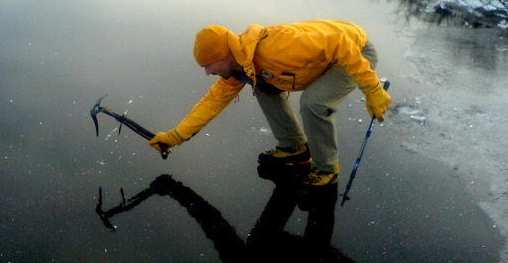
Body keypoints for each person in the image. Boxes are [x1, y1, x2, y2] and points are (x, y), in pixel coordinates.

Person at [148, 20, 391, 189]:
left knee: (313, 103)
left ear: (225, 57)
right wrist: (173, 137)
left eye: (209, 65)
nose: (207, 72)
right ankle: (293, 146)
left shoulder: (276, 48)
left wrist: (372, 89)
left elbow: (340, 44)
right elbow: (211, 103)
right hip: (327, 53)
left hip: (354, 50)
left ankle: (327, 170)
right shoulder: (239, 66)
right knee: (262, 84)